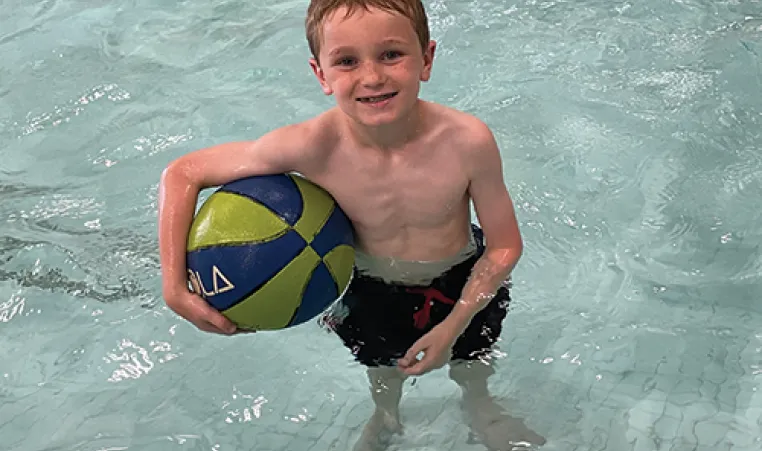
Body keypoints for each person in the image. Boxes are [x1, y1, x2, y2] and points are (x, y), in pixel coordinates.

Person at [157, 0, 546, 449]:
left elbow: (503, 248)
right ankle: (386, 413)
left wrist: (454, 323)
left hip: (463, 278)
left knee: (472, 358)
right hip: (368, 285)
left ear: (427, 59)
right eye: (346, 61)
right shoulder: (311, 147)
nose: (372, 77)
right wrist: (174, 287)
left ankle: (480, 404)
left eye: (391, 54)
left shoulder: (466, 142)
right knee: (381, 365)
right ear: (321, 74)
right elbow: (183, 173)